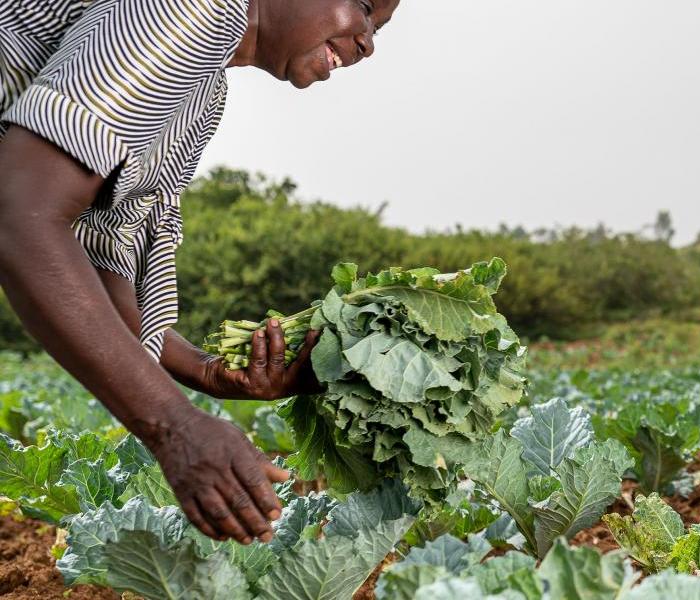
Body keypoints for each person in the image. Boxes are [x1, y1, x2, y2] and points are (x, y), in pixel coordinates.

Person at [0, 0, 400, 544]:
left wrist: (207, 373)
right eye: (364, 7)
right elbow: (23, 215)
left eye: (378, 29)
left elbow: (95, 258)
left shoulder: (203, 95)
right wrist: (175, 426)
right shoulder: (192, 10)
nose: (369, 42)